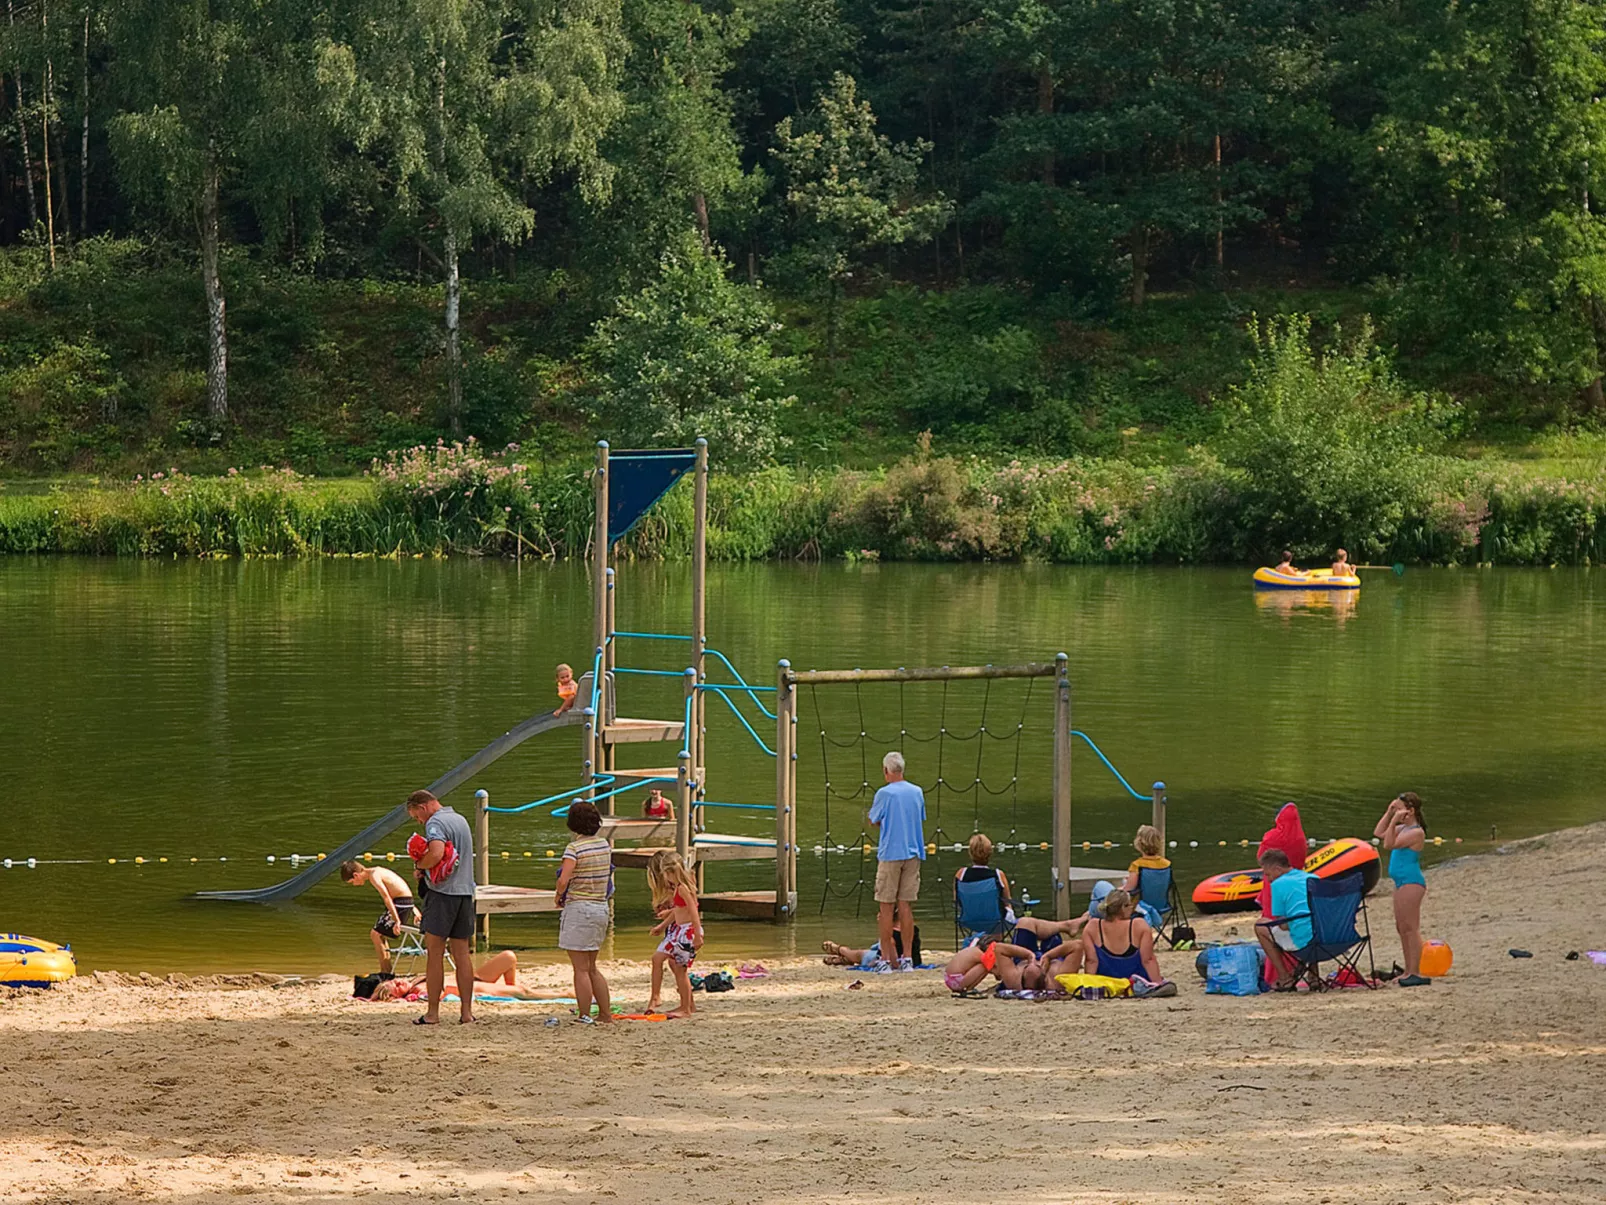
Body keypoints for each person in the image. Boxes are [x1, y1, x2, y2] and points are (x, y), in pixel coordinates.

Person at [404, 789, 477, 1025]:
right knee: (462, 953)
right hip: (465, 891)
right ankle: (466, 1012)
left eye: (416, 817)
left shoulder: (435, 823)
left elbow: (436, 853)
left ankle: (433, 1013)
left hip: (443, 893)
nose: (419, 821)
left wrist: (420, 865)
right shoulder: (460, 819)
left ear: (422, 807)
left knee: (434, 954)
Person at [555, 799, 613, 1023]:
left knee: (579, 968)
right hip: (600, 906)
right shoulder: (604, 845)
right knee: (592, 967)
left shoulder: (574, 848)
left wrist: (558, 895)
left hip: (580, 907)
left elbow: (564, 879)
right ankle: (605, 1014)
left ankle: (584, 1014)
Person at [867, 751, 926, 972]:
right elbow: (918, 817)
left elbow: (874, 819)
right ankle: (907, 958)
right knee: (905, 906)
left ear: (886, 771)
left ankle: (884, 960)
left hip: (891, 854)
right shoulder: (917, 792)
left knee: (885, 907)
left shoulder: (884, 793)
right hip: (913, 853)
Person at [1376, 792, 1431, 987]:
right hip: (1400, 883)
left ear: (1411, 811)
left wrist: (1394, 821)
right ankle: (1407, 970)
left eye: (1400, 809)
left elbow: (1388, 844)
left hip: (1411, 882)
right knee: (1402, 928)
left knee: (1411, 927)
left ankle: (1415, 971)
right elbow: (1379, 833)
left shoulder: (1416, 832)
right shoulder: (1401, 829)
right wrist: (1389, 812)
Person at [369, 951, 567, 1003]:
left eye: (395, 980)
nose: (399, 981)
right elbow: (443, 993)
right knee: (523, 992)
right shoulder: (421, 992)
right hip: (474, 988)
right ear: (396, 996)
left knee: (508, 957)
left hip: (474, 978)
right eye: (396, 986)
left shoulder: (415, 982)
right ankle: (568, 993)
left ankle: (510, 994)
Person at [645, 851, 703, 1016]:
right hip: (681, 931)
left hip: (687, 932)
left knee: (679, 968)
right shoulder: (679, 888)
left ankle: (686, 1008)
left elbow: (693, 911)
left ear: (669, 873)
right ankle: (685, 1005)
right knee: (663, 960)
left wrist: (698, 934)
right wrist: (662, 926)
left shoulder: (683, 889)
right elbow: (679, 911)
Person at [1253, 849, 1315, 990]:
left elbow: (1283, 926)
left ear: (1278, 869)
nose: (1268, 879)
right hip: (1329, 939)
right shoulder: (1312, 878)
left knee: (1261, 925)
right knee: (1312, 922)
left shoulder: (1278, 885)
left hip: (1303, 942)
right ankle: (1313, 977)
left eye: (1268, 874)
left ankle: (1285, 978)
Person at [339, 860, 416, 973]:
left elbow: (386, 897)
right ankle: (387, 971)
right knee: (377, 934)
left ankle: (386, 972)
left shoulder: (374, 875)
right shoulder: (377, 870)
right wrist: (414, 909)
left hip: (400, 903)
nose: (354, 885)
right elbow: (400, 888)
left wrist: (397, 920)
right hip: (403, 902)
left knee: (375, 934)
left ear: (356, 875)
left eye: (352, 882)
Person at [1080, 889, 1165, 984]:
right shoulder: (1139, 925)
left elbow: (1091, 961)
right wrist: (1158, 983)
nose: (1132, 907)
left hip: (1107, 981)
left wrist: (1088, 985)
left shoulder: (1093, 927)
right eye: (1129, 904)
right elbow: (1148, 959)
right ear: (1123, 907)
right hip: (1135, 981)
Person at [942, 936, 1042, 993]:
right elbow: (990, 968)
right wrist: (1000, 973)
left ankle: (968, 988)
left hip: (950, 978)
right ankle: (968, 988)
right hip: (956, 980)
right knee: (983, 967)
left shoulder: (971, 950)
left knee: (983, 967)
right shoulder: (978, 954)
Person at [954, 833, 1015, 927]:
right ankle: (996, 939)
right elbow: (1007, 901)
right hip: (997, 921)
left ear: (970, 853)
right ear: (990, 853)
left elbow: (957, 900)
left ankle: (980, 939)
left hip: (968, 920)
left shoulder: (961, 874)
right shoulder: (998, 875)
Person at [821, 922, 921, 970]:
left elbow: (891, 960)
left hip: (885, 957)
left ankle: (840, 950)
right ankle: (843, 959)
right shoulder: (913, 929)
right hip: (908, 959)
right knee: (864, 953)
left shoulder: (890, 934)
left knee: (859, 954)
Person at [1120, 824, 1170, 895]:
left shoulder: (1137, 865)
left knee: (1102, 885)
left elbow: (1128, 891)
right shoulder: (1167, 864)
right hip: (1162, 904)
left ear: (1138, 843)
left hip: (1141, 904)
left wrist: (1119, 889)